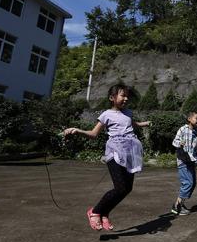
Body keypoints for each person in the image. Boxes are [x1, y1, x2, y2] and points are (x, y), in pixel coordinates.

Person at [64, 84, 150, 231]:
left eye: (127, 96)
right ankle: (95, 211)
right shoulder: (106, 115)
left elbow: (133, 124)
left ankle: (105, 213)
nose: (126, 98)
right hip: (114, 153)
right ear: (112, 98)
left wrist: (145, 124)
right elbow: (93, 134)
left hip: (130, 153)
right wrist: (77, 130)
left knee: (127, 188)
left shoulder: (128, 113)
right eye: (123, 95)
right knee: (120, 187)